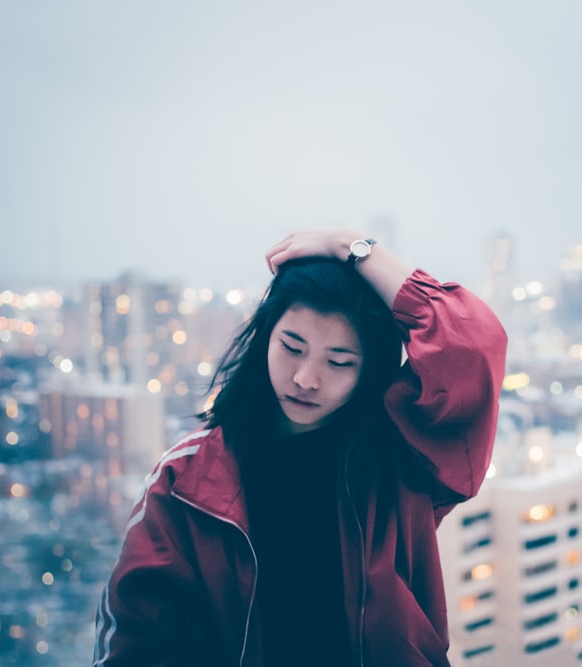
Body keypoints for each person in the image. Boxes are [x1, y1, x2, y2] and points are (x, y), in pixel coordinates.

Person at [92, 228, 508, 667]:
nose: (306, 379)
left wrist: (352, 248)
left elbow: (475, 346)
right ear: (264, 338)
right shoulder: (187, 481)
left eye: (339, 362)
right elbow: (136, 643)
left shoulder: (398, 461)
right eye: (292, 348)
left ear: (368, 372)